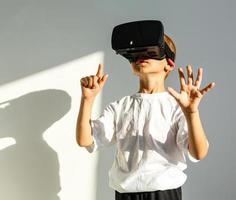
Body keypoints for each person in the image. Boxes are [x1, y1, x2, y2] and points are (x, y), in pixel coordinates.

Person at [75, 33, 216, 200]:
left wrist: (192, 113)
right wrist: (87, 100)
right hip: (125, 195)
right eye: (135, 53)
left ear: (169, 64)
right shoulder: (120, 107)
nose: (141, 56)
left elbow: (198, 152)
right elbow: (85, 140)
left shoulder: (177, 106)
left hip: (164, 194)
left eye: (150, 51)